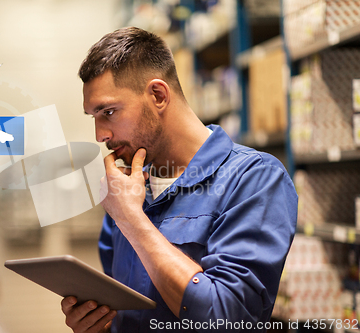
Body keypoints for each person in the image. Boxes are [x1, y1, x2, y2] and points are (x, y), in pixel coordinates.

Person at [61, 27, 298, 333]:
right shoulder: (126, 188)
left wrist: (132, 219)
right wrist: (97, 325)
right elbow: (125, 315)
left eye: (109, 111)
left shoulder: (254, 180)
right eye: (93, 116)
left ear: (158, 95)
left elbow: (229, 319)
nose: (100, 135)